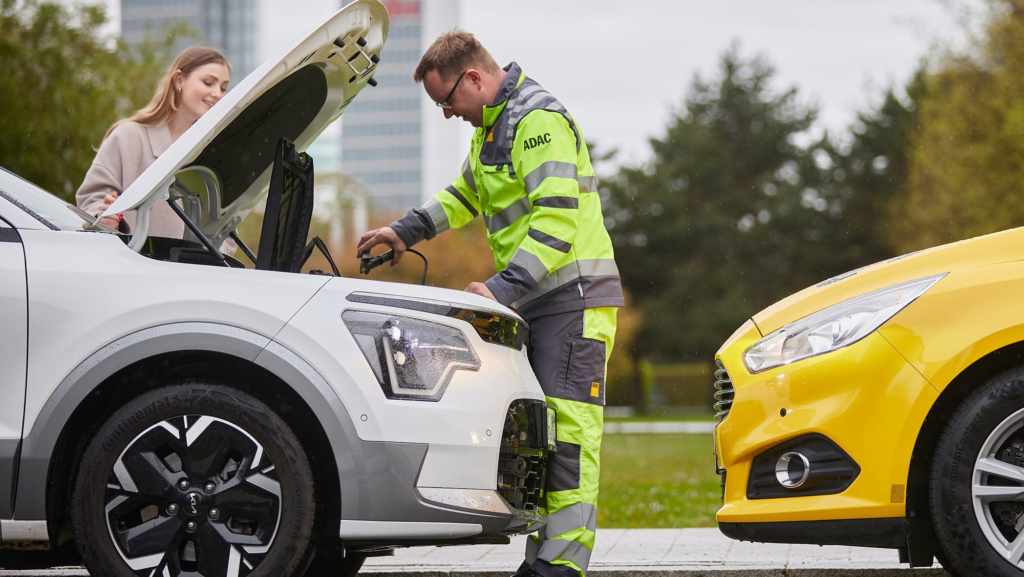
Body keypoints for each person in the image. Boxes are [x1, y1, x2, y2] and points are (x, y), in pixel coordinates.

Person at [356, 31, 622, 577]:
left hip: (573, 301)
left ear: (474, 78)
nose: (448, 113)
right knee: (543, 440)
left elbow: (556, 220)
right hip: (540, 301)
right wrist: (405, 231)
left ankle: (560, 568)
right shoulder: (492, 129)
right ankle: (544, 562)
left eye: (448, 100)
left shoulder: (537, 122)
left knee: (570, 438)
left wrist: (500, 289)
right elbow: (465, 195)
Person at [77, 46, 231, 242]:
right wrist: (104, 219)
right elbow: (91, 200)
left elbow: (227, 225)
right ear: (179, 80)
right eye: (208, 82)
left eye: (224, 88)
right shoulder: (128, 137)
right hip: (129, 266)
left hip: (192, 271)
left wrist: (214, 254)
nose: (217, 93)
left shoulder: (215, 153)